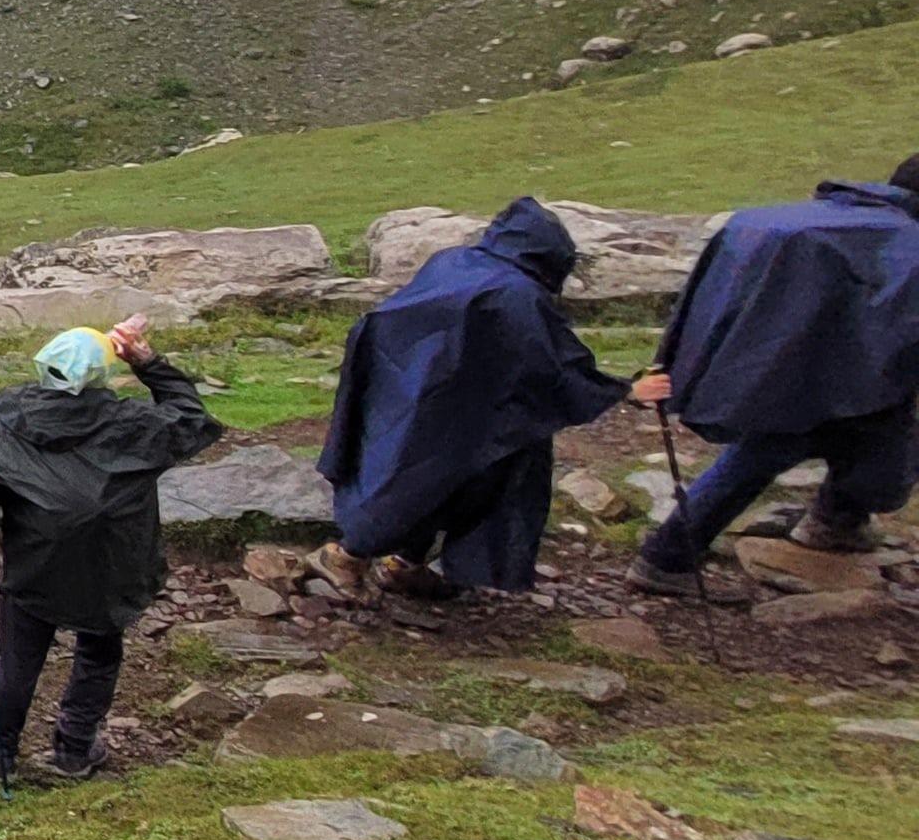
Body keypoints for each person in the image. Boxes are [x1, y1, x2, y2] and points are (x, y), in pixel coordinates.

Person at [313, 198, 635, 601]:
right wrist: (624, 389)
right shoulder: (518, 293)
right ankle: (346, 558)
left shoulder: (454, 261)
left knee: (406, 472)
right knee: (446, 481)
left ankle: (402, 565)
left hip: (409, 386)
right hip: (467, 408)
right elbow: (552, 363)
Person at [628, 157, 919, 595]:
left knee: (768, 449)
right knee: (851, 443)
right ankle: (666, 559)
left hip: (775, 360)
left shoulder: (820, 216)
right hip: (838, 373)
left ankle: (837, 522)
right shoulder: (907, 244)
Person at [0, 318, 223, 784]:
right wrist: (149, 363)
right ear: (102, 377)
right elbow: (193, 422)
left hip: (35, 555)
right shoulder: (132, 423)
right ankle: (75, 749)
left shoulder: (8, 416)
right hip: (111, 558)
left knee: (19, 654)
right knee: (99, 649)